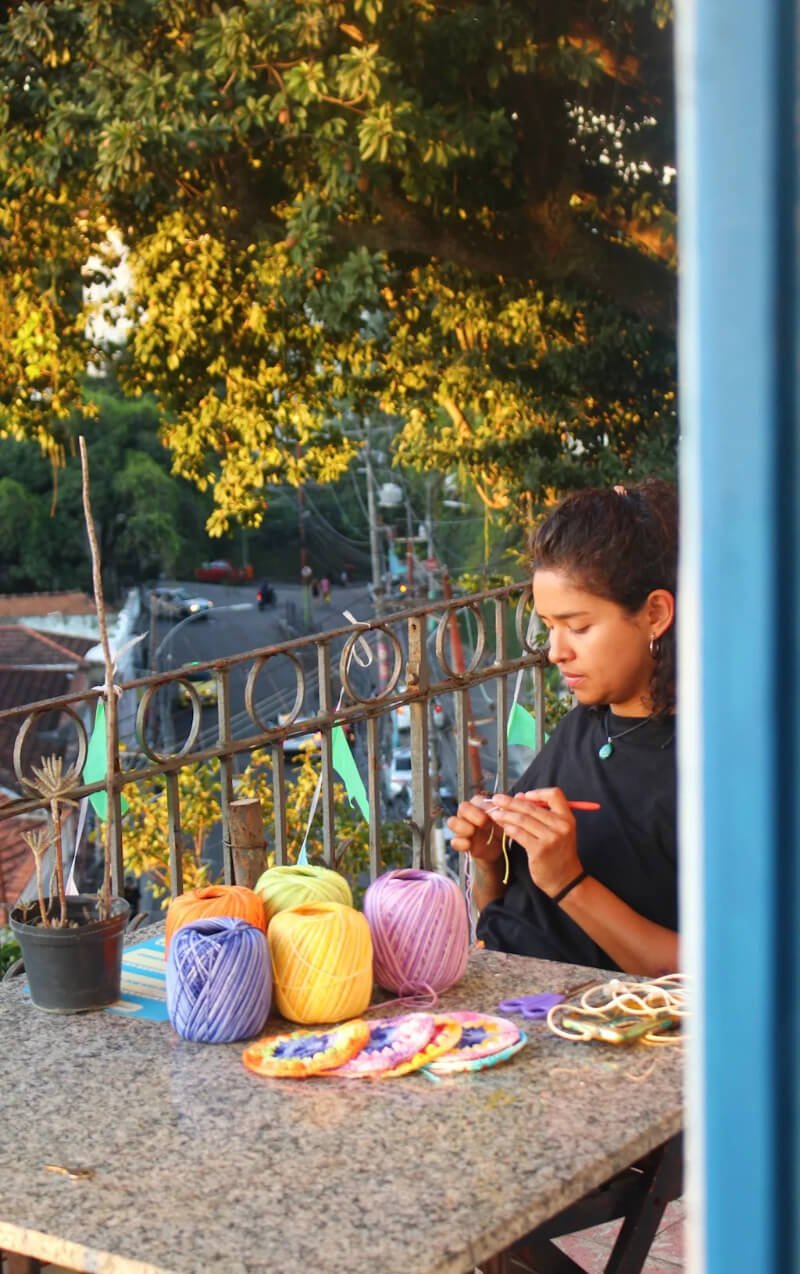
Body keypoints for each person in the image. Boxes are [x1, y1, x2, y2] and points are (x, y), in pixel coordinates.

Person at [448, 479, 678, 976]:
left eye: (578, 627)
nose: (556, 651)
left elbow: (709, 975)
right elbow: (500, 916)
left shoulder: (710, 766)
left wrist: (569, 883)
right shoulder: (583, 727)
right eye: (549, 626)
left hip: (589, 1026)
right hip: (500, 993)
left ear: (655, 614)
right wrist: (491, 859)